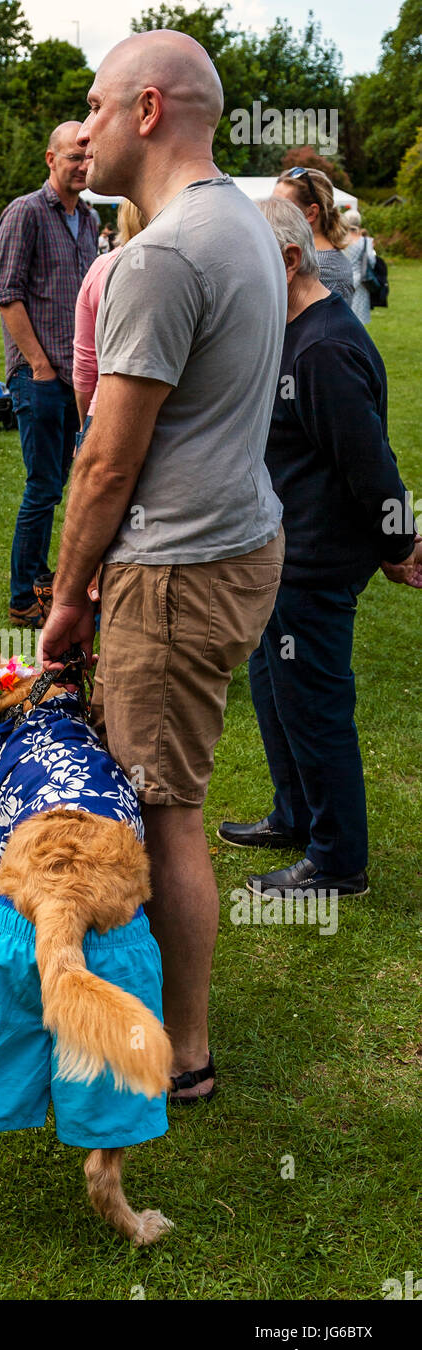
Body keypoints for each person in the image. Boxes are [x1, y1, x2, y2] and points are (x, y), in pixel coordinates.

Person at [41, 31, 288, 1104]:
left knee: (161, 807)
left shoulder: (160, 253)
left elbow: (103, 461)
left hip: (177, 566)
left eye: (93, 107)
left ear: (146, 110)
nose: (81, 128)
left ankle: (178, 1054)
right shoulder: (240, 220)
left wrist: (60, 601)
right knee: (160, 792)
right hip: (234, 544)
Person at [218, 198, 421, 899]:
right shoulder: (290, 330)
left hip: (314, 565)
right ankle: (296, 815)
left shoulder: (324, 346)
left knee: (314, 704)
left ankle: (338, 863)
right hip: (279, 555)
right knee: (275, 691)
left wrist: (399, 543)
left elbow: (373, 466)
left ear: (290, 262)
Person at [0, 121, 99, 628]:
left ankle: (43, 582)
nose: (82, 165)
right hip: (39, 375)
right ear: (49, 159)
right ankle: (21, 598)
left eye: (87, 156)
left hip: (76, 376)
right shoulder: (27, 212)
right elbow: (7, 293)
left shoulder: (92, 219)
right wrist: (37, 366)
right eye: (72, 157)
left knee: (65, 482)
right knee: (42, 487)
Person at [73, 199, 144, 426]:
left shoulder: (102, 266)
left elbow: (85, 364)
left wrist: (86, 425)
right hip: (173, 421)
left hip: (102, 408)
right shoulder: (188, 268)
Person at [273, 167, 353, 305]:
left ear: (311, 213)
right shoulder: (308, 258)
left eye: (282, 206)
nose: (272, 211)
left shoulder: (325, 269)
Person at [343, 208, 377, 326]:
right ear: (359, 223)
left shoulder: (340, 240)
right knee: (359, 323)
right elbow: (372, 262)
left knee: (342, 318)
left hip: (343, 280)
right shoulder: (366, 241)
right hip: (361, 282)